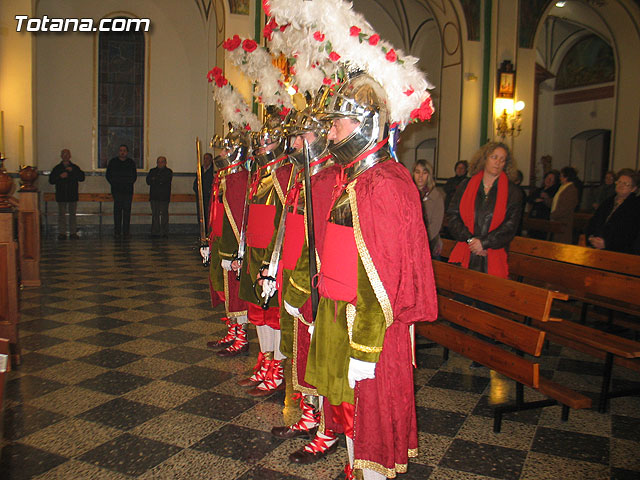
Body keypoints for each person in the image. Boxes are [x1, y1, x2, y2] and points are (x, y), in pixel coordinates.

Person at [305, 72, 438, 480]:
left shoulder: (383, 183)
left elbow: (383, 277)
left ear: (365, 124)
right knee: (350, 415)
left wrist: (364, 347)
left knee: (371, 423)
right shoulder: (356, 179)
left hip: (370, 330)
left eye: (337, 123)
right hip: (343, 317)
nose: (330, 133)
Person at [447, 141, 523, 277]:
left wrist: (484, 243)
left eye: (502, 160)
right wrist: (471, 241)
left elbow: (510, 226)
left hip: (493, 254)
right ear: (484, 158)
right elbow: (453, 216)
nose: (498, 162)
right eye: (494, 157)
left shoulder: (513, 192)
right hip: (466, 251)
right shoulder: (466, 185)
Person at [586, 169, 640, 254]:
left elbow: (630, 233)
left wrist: (607, 243)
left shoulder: (635, 206)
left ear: (633, 189)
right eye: (619, 182)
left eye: (625, 184)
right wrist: (591, 237)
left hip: (619, 252)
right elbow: (594, 222)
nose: (620, 185)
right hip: (596, 247)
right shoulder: (608, 202)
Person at [49, 148, 85, 239]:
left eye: (67, 154)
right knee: (62, 215)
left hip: (72, 194)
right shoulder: (57, 168)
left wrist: (73, 171)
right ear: (61, 156)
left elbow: (82, 178)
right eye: (64, 154)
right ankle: (62, 233)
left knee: (72, 214)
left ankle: (73, 232)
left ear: (70, 156)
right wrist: (59, 177)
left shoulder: (75, 167)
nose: (65, 156)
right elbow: (51, 180)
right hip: (61, 194)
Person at [412, 159, 445, 258]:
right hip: (410, 243)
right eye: (417, 172)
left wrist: (419, 240)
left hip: (429, 244)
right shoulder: (408, 194)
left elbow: (435, 225)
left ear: (429, 175)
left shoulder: (436, 196)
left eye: (424, 173)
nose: (420, 176)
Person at [106, 144, 137, 238]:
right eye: (121, 150)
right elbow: (108, 175)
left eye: (124, 150)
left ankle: (126, 232)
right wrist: (115, 183)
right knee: (117, 212)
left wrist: (127, 183)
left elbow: (134, 176)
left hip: (128, 191)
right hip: (117, 191)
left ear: (127, 152)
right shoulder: (113, 162)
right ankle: (117, 232)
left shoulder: (131, 162)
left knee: (127, 212)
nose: (122, 152)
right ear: (118, 152)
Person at [526, 169, 560, 239]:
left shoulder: (555, 191)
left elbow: (554, 204)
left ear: (555, 181)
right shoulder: (539, 189)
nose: (548, 180)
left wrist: (546, 198)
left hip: (544, 218)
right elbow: (529, 198)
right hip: (534, 217)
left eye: (551, 179)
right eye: (547, 178)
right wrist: (535, 200)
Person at [550, 166, 579, 244]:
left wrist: (553, 215)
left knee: (562, 242)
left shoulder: (571, 190)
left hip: (564, 221)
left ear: (566, 177)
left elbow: (565, 208)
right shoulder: (562, 187)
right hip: (557, 220)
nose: (560, 178)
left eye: (561, 176)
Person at [145, 156, 173, 238]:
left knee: (164, 215)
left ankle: (164, 232)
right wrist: (156, 180)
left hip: (164, 196)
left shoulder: (168, 171)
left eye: (162, 162)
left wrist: (155, 179)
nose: (160, 164)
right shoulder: (152, 171)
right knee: (155, 215)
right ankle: (155, 232)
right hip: (154, 196)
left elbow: (164, 180)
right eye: (158, 162)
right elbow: (148, 181)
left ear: (165, 163)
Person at [193, 152, 214, 236]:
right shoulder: (200, 169)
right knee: (201, 215)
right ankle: (201, 231)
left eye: (207, 159)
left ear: (211, 160)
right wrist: (197, 191)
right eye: (204, 159)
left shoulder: (213, 170)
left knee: (208, 214)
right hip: (201, 196)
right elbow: (196, 183)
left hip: (209, 196)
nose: (205, 160)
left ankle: (209, 232)